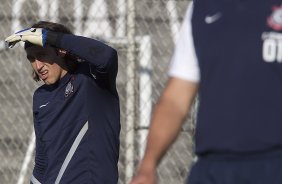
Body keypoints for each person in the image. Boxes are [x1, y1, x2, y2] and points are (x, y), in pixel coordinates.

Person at [130, 1, 282, 184]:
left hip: (274, 163)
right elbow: (175, 101)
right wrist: (147, 166)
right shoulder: (202, 8)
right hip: (212, 168)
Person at [5, 21, 120, 183]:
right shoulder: (40, 97)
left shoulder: (90, 78)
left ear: (61, 51)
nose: (38, 66)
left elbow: (107, 56)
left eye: (42, 55)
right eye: (31, 58)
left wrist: (51, 38)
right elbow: (42, 163)